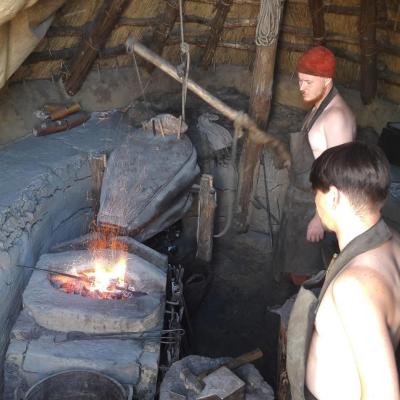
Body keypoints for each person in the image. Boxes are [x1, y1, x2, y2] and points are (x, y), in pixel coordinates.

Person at [286, 142, 400, 400]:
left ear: (334, 196)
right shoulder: (393, 242)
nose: (316, 201)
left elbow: (384, 394)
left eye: (317, 192)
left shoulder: (354, 287)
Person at [273, 46, 356, 285]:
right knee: (293, 263)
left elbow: (339, 175)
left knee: (307, 271)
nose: (301, 88)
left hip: (315, 207)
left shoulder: (336, 117)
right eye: (300, 81)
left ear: (327, 81)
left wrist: (320, 219)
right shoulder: (320, 107)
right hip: (301, 199)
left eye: (308, 82)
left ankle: (301, 313)